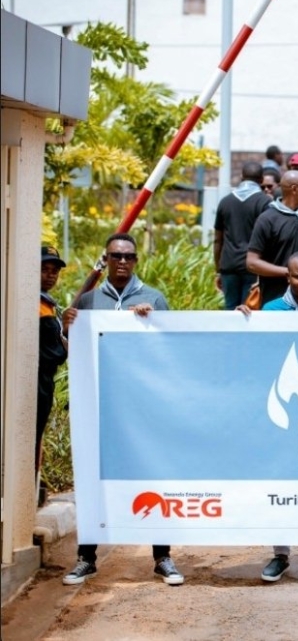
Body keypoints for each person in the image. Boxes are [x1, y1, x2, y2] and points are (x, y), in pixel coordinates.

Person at [61, 233, 183, 586]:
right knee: (93, 476)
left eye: (129, 256)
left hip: (143, 406)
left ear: (136, 260)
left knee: (153, 475)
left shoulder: (153, 298)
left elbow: (170, 349)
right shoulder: (88, 300)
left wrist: (149, 323)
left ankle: (162, 557)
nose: (123, 262)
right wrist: (68, 328)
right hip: (100, 405)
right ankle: (86, 558)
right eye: (116, 256)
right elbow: (72, 351)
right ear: (107, 259)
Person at [236, 252, 298, 584]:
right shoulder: (269, 311)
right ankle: (280, 554)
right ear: (288, 277)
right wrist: (242, 322)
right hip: (280, 413)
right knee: (280, 481)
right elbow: (256, 352)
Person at [247, 170, 298, 306]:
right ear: (294, 189)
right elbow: (252, 263)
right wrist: (290, 273)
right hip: (276, 299)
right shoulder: (267, 219)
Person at [214, 161, 272, 309]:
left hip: (229, 265)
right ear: (261, 180)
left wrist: (218, 269)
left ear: (241, 177)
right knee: (250, 310)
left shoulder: (225, 202)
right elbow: (269, 239)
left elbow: (218, 240)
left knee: (230, 310)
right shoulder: (265, 202)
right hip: (253, 267)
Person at [38, 246, 68, 479]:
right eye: (44, 269)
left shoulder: (47, 304)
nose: (50, 275)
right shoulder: (37, 306)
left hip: (45, 380)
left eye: (54, 271)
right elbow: (53, 352)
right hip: (37, 380)